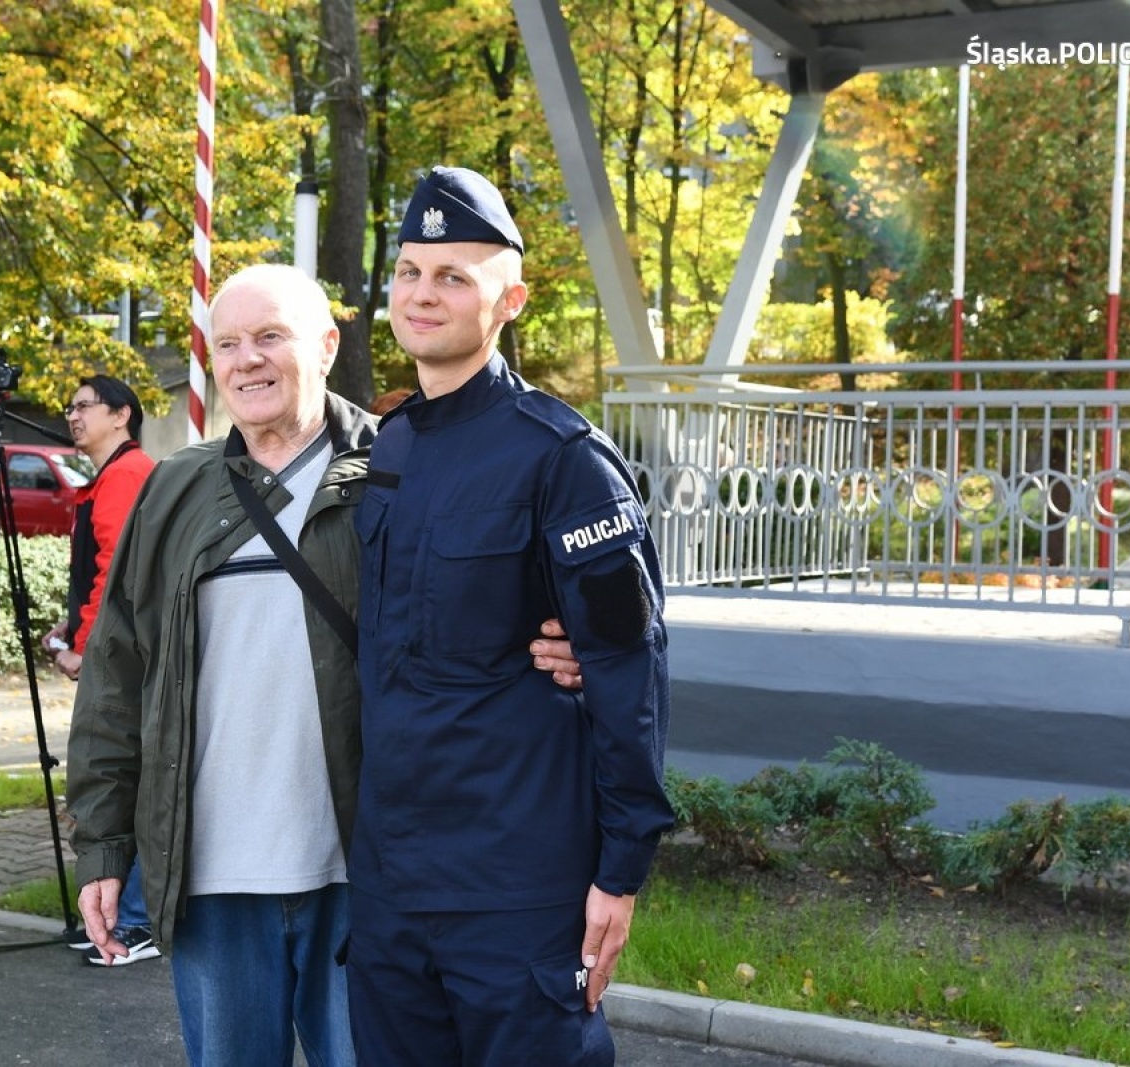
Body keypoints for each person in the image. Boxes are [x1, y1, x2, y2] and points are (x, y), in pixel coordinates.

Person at [65, 263, 581, 1066]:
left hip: (370, 873)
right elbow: (116, 678)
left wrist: (569, 636)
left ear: (327, 345)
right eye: (227, 343)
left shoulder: (403, 471)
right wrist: (102, 846)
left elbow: (492, 602)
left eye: (270, 336)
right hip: (213, 880)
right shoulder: (175, 490)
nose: (246, 360)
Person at [345, 166, 675, 1065]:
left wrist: (621, 867)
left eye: (454, 275)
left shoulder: (563, 458)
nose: (424, 293)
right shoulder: (394, 443)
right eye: (410, 271)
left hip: (515, 887)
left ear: (510, 299)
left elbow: (625, 664)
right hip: (391, 886)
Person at [38, 375, 158, 966]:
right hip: (116, 651)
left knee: (121, 777)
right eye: (70, 406)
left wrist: (86, 646)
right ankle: (118, 914)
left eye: (84, 405)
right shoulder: (113, 476)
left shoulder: (128, 475)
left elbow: (115, 570)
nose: (73, 415)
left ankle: (135, 920)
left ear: (122, 415)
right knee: (117, 777)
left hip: (121, 658)